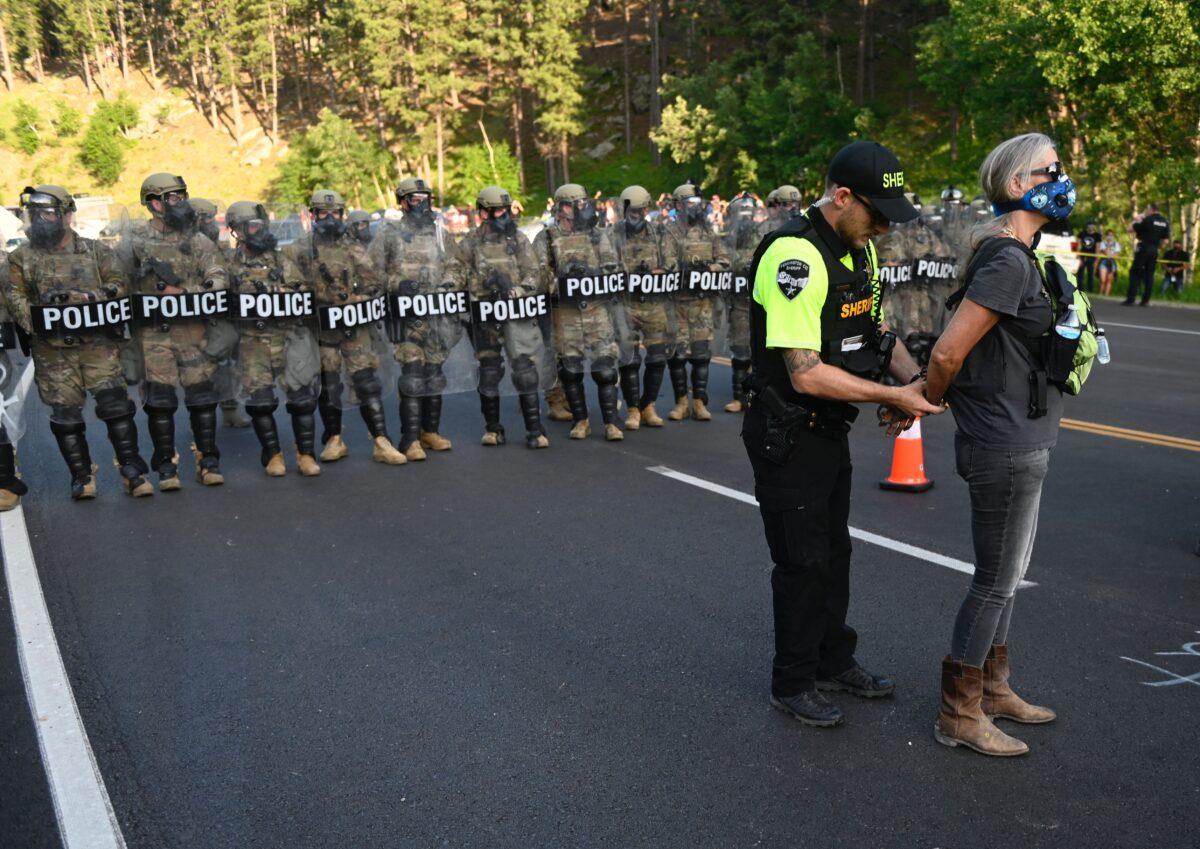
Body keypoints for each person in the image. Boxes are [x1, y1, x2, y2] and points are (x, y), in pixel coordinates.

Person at [742, 141, 942, 728]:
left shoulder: (862, 253)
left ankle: (834, 660)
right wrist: (891, 396)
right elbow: (805, 372)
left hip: (831, 430)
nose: (883, 227)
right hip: (789, 431)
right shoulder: (794, 257)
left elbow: (876, 333)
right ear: (842, 196)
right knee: (802, 563)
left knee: (835, 552)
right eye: (876, 213)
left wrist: (918, 383)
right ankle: (794, 680)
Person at [924, 132, 1072, 757]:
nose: (1064, 178)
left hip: (1025, 435)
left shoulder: (1023, 254)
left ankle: (992, 686)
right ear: (1019, 185)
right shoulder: (1008, 259)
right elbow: (949, 351)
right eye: (1052, 169)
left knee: (1009, 577)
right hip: (1003, 444)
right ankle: (959, 711)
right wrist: (929, 398)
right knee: (993, 580)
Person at [6, 185, 154, 500]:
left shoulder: (94, 250)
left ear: (67, 214)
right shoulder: (21, 257)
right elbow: (14, 297)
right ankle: (82, 475)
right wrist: (40, 318)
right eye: (36, 214)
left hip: (98, 346)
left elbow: (120, 283)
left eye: (47, 213)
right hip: (53, 352)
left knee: (116, 408)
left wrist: (87, 298)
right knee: (66, 418)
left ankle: (131, 470)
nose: (41, 219)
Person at [124, 172, 231, 488]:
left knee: (202, 400)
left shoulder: (197, 240)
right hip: (155, 335)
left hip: (194, 332)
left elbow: (218, 276)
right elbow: (117, 285)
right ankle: (166, 467)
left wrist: (186, 292)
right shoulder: (136, 243)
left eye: (183, 195)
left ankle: (208, 461)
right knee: (160, 403)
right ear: (154, 203)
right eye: (174, 197)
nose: (181, 202)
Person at [285, 189, 406, 466]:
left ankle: (381, 440)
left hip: (354, 327)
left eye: (335, 212)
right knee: (329, 386)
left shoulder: (353, 247)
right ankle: (333, 439)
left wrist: (355, 299)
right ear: (313, 215)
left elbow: (374, 281)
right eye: (323, 213)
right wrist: (318, 296)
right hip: (322, 330)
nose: (330, 218)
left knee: (367, 383)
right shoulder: (300, 249)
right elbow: (292, 288)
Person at [371, 177, 468, 460]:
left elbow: (457, 266)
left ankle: (430, 432)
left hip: (438, 316)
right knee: (412, 376)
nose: (421, 204)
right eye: (415, 199)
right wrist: (396, 283)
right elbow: (370, 272)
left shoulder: (440, 233)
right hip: (406, 318)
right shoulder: (389, 234)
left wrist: (448, 284)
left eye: (425, 198)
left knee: (434, 375)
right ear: (402, 203)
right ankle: (410, 439)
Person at [225, 201, 322, 477]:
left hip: (288, 337)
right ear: (238, 231)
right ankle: (273, 455)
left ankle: (306, 455)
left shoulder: (282, 259)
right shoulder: (229, 266)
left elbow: (303, 289)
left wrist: (285, 293)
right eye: (253, 226)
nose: (259, 231)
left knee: (303, 399)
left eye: (261, 225)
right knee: (261, 402)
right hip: (252, 343)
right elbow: (219, 300)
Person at [458, 186, 551, 449]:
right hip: (484, 317)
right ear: (484, 213)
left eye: (507, 210)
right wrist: (482, 284)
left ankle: (535, 430)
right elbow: (454, 277)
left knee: (525, 372)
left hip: (516, 314)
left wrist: (517, 290)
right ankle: (492, 428)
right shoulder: (469, 243)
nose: (505, 216)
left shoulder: (518, 240)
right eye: (499, 211)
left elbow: (535, 274)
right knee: (489, 372)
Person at [534, 184, 625, 441]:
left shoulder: (598, 235)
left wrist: (595, 275)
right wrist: (562, 281)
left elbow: (612, 267)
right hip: (566, 313)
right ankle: (581, 420)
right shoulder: (548, 237)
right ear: (562, 207)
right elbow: (537, 275)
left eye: (585, 203)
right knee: (570, 370)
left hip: (597, 310)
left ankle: (611, 422)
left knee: (606, 368)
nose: (582, 208)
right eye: (577, 204)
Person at [613, 185, 678, 428]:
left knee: (657, 357)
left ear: (647, 209)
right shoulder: (612, 234)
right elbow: (605, 264)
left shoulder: (659, 233)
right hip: (625, 305)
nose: (636, 214)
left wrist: (658, 271)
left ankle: (648, 404)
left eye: (640, 210)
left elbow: (673, 262)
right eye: (631, 210)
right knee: (629, 359)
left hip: (654, 305)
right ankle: (632, 409)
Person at [664, 183, 730, 422]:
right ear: (679, 205)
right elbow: (667, 264)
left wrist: (709, 268)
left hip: (703, 305)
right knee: (678, 356)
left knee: (701, 356)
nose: (696, 208)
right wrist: (684, 270)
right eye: (691, 203)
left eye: (698, 204)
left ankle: (699, 402)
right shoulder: (668, 232)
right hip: (678, 305)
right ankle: (681, 402)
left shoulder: (707, 232)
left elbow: (724, 261)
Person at [1124, 202, 1169, 306]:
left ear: (1151, 209)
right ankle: (1145, 300)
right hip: (1154, 250)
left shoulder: (1147, 220)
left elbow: (1130, 229)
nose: (1147, 212)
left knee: (1135, 272)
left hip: (1143, 248)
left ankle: (1131, 299)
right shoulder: (1164, 222)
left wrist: (1136, 219)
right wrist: (1158, 247)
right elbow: (1165, 241)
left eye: (1147, 210)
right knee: (1149, 275)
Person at [1075, 220, 1099, 293]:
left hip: (1092, 257)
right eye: (1089, 224)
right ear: (1087, 226)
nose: (1091, 226)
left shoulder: (1097, 235)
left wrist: (1096, 260)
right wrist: (1078, 257)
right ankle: (1080, 290)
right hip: (1082, 256)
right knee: (1080, 274)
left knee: (1090, 274)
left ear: (1094, 226)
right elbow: (1078, 245)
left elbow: (1098, 248)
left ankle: (1090, 291)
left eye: (1092, 224)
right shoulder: (1082, 234)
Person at [1097, 231, 1120, 296]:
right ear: (1106, 236)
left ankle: (1106, 295)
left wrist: (1111, 255)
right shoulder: (1103, 243)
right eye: (1108, 235)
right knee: (1102, 279)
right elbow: (1104, 251)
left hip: (1112, 262)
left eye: (1111, 235)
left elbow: (1117, 254)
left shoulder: (1116, 244)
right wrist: (1110, 253)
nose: (1110, 236)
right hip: (1104, 261)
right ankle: (1100, 294)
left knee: (1109, 280)